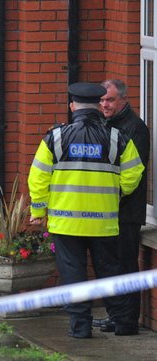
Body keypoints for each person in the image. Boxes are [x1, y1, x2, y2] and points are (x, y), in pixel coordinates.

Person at [28, 82, 144, 338]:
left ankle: (80, 327)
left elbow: (37, 177)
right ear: (97, 107)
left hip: (66, 223)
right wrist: (118, 192)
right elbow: (134, 172)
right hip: (103, 222)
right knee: (109, 272)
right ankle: (123, 323)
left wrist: (39, 209)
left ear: (73, 107)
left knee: (73, 274)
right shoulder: (117, 138)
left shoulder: (55, 138)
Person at [92, 79, 151, 332]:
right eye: (103, 100)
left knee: (125, 265)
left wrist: (111, 199)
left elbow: (131, 173)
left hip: (126, 211)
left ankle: (127, 321)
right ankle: (116, 316)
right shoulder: (105, 124)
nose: (105, 104)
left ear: (124, 100)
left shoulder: (134, 127)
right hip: (108, 208)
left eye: (111, 100)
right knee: (110, 266)